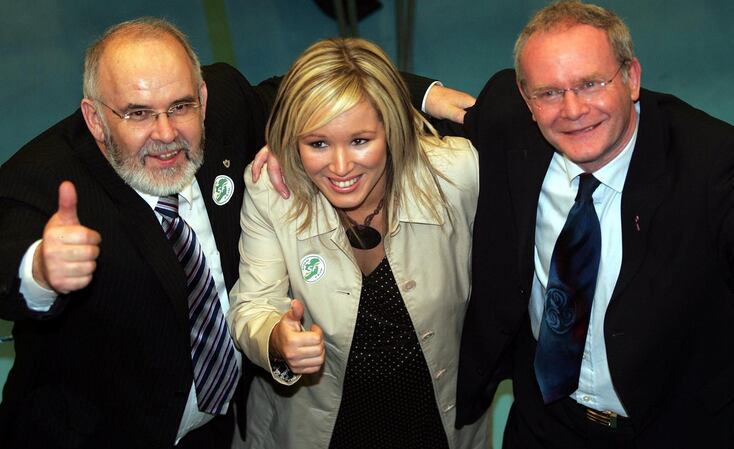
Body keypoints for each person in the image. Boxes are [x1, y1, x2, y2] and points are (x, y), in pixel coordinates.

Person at [0, 17, 467, 449]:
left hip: (224, 428)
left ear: (202, 99)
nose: (165, 133)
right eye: (138, 114)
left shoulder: (225, 105)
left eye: (180, 106)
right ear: (95, 118)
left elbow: (310, 93)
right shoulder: (39, 178)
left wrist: (424, 96)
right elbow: (7, 263)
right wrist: (39, 270)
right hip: (96, 436)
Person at [449, 2, 734, 448]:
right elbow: (373, 103)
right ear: (526, 99)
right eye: (549, 93)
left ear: (632, 78)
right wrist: (431, 94)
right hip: (546, 417)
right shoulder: (507, 119)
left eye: (590, 84)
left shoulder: (707, 159)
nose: (572, 110)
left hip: (674, 422)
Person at [226, 37, 489, 449]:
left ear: (392, 129)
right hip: (319, 431)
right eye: (318, 144)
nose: (341, 167)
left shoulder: (457, 174)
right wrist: (276, 339)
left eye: (360, 141)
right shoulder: (272, 192)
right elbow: (253, 304)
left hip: (437, 424)